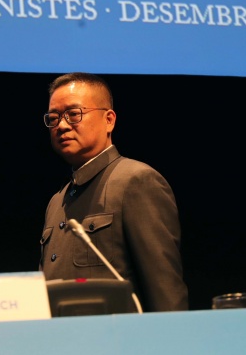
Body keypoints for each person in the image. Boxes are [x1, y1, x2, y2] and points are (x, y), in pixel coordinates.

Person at [39, 73, 188, 312]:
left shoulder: (136, 181)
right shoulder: (57, 201)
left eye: (74, 114)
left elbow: (165, 291)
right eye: (54, 118)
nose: (62, 126)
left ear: (109, 120)